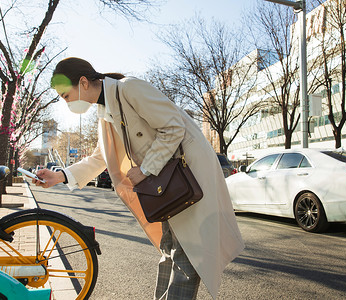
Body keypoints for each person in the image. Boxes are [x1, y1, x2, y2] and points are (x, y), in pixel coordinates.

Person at [34, 57, 244, 300]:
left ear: (82, 82)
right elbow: (99, 158)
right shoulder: (105, 112)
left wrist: (146, 169)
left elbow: (174, 127)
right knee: (170, 250)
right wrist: (59, 176)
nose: (66, 102)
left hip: (188, 179)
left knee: (188, 257)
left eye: (65, 95)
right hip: (168, 185)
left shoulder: (129, 88)